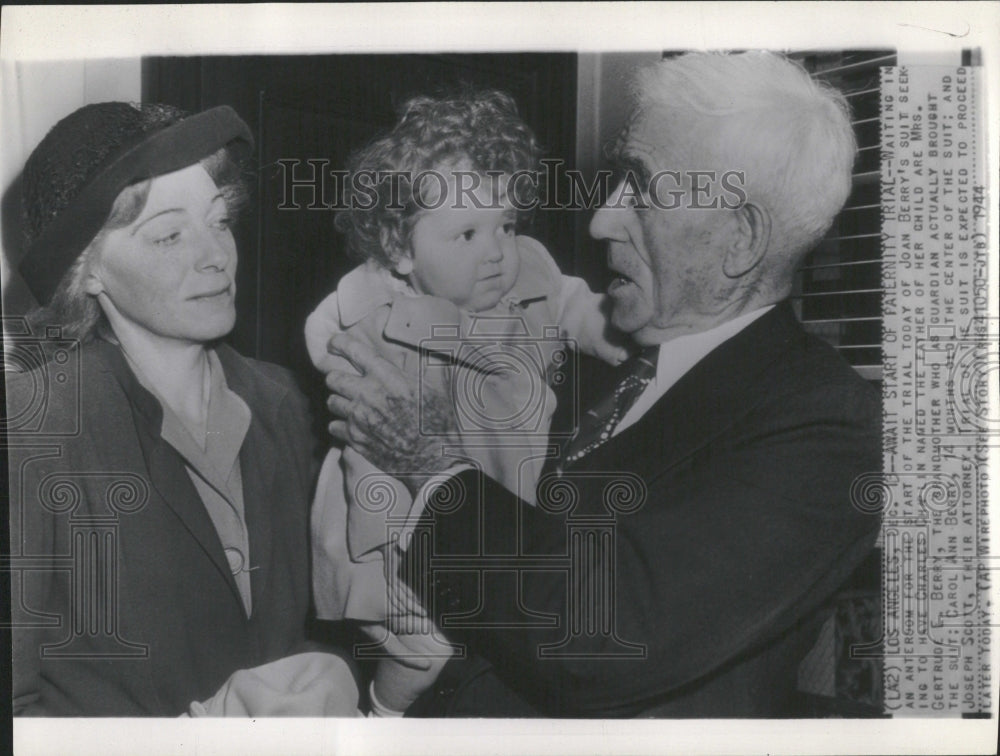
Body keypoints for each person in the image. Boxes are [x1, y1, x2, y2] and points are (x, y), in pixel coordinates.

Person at [321, 51, 883, 717]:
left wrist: (428, 460)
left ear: (739, 238)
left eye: (640, 191)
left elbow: (593, 634)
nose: (599, 221)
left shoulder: (824, 425)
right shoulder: (608, 362)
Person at [6, 102, 357, 716]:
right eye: (169, 235)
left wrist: (345, 677)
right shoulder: (32, 429)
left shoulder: (282, 401)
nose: (215, 255)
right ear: (87, 273)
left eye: (218, 222)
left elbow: (298, 634)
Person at [304, 90, 628, 714]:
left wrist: (606, 331)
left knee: (509, 608)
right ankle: (383, 714)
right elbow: (345, 384)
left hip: (501, 489)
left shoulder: (529, 273)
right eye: (466, 233)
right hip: (392, 508)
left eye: (506, 224)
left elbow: (574, 303)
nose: (496, 251)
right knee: (422, 643)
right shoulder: (385, 313)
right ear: (400, 250)